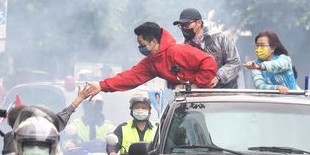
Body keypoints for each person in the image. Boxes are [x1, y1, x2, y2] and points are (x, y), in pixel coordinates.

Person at [86, 22, 218, 96]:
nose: (140, 48)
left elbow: (209, 62)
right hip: (186, 98)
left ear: (154, 42)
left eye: (142, 44)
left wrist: (195, 85)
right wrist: (101, 85)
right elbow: (130, 77)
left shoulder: (177, 51)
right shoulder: (152, 62)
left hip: (205, 97)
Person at [1, 85, 93, 155]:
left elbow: (58, 120)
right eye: (27, 117)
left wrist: (79, 99)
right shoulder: (12, 140)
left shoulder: (41, 132)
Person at [173, 8, 241, 88]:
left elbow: (235, 62)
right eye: (181, 26)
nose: (184, 28)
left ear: (199, 23)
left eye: (187, 25)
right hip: (197, 95)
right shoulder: (182, 47)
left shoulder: (220, 38)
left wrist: (218, 77)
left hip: (225, 93)